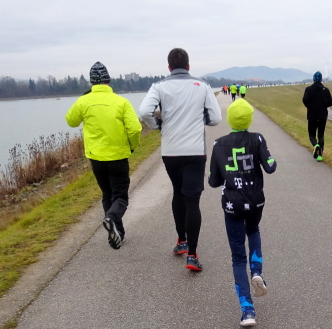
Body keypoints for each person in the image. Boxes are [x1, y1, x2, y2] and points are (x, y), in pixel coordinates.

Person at [139, 48, 222, 271]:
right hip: (195, 151)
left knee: (178, 192)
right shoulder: (202, 86)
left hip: (171, 151)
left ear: (169, 67)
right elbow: (216, 118)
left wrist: (157, 125)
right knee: (192, 200)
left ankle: (182, 241)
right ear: (188, 66)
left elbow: (145, 111)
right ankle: (192, 256)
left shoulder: (159, 86)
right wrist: (201, 119)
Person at [208, 99, 277, 327]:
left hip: (232, 204)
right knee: (253, 229)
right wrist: (268, 158)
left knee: (238, 256)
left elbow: (213, 181)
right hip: (255, 201)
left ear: (229, 119)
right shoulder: (257, 139)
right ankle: (256, 271)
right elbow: (270, 166)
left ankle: (247, 310)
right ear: (249, 119)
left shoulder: (219, 144)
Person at [65, 61, 142, 249]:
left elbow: (71, 121)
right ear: (108, 80)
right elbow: (135, 129)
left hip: (96, 158)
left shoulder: (84, 101)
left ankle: (117, 235)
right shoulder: (121, 102)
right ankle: (112, 218)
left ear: (92, 82)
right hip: (118, 156)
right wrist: (132, 146)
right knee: (120, 197)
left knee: (107, 194)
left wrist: (84, 100)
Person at [302, 71, 332, 162]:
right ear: (321, 79)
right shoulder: (325, 90)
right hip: (322, 115)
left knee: (312, 135)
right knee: (321, 135)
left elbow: (305, 100)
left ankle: (316, 145)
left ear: (313, 79)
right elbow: (330, 102)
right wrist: (323, 106)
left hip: (312, 115)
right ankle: (320, 156)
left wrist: (310, 106)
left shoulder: (308, 89)